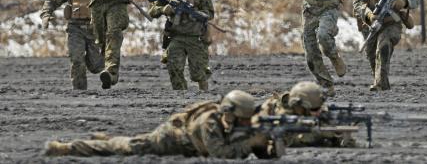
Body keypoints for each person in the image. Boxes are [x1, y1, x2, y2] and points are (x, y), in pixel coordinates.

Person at [45, 90, 274, 159]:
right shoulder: (209, 123)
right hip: (170, 139)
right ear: (231, 114)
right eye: (244, 118)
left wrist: (267, 145)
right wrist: (251, 143)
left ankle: (107, 138)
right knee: (129, 148)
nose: (247, 122)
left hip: (185, 140)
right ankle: (67, 147)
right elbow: (219, 153)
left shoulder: (229, 120)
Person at [353, 0, 418, 91]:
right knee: (371, 53)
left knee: (383, 47)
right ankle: (382, 82)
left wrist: (404, 2)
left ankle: (379, 84)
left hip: (391, 22)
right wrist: (369, 15)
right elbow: (357, 1)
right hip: (371, 22)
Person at [148, 0, 214, 91]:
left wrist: (197, 14)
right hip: (176, 37)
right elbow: (152, 11)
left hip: (195, 37)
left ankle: (205, 95)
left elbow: (210, 13)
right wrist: (163, 9)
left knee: (199, 72)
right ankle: (180, 97)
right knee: (174, 68)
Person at [40, 0, 104, 89]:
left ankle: (108, 60)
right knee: (76, 59)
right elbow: (51, 0)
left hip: (94, 29)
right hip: (75, 28)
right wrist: (46, 15)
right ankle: (79, 91)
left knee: (96, 66)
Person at [256, 81, 356, 147]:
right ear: (300, 107)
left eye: (318, 108)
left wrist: (341, 136)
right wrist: (314, 135)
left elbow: (344, 141)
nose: (318, 112)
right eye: (313, 109)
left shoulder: (316, 108)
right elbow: (279, 141)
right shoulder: (280, 114)